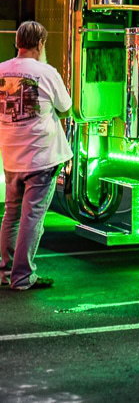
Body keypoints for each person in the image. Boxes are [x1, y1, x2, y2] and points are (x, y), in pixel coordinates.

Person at [0, 21, 73, 290]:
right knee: (32, 218)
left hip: (11, 156)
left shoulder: (1, 71)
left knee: (11, 215)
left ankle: (5, 272)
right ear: (40, 44)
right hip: (41, 158)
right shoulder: (46, 72)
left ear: (17, 42)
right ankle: (22, 277)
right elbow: (65, 107)